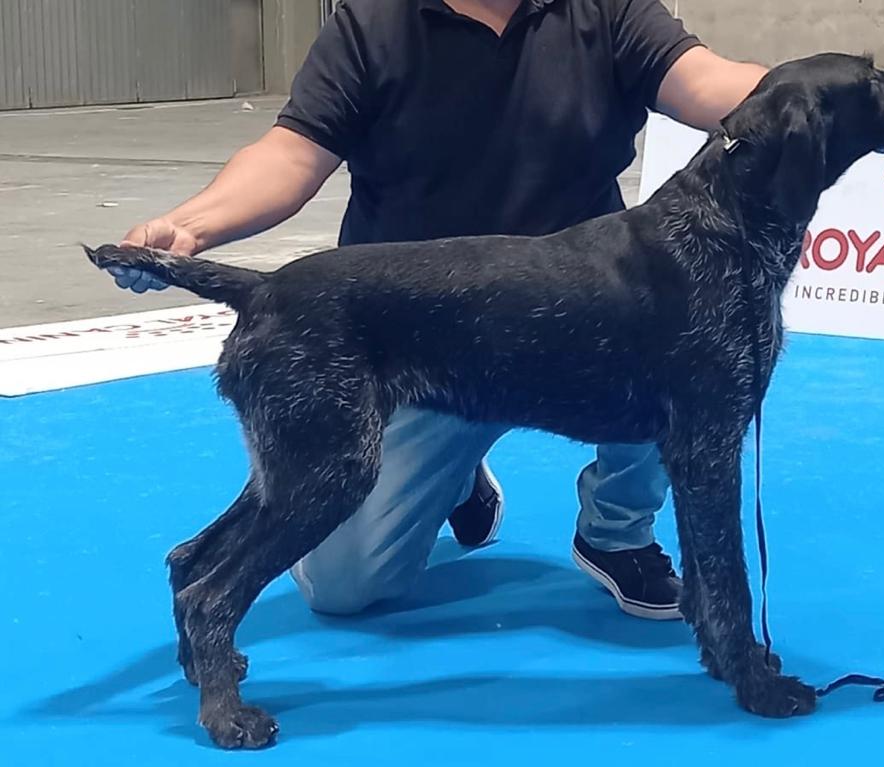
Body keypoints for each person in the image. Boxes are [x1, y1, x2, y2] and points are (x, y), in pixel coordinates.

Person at [103, 0, 773, 620]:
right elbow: (291, 154)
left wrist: (837, 94)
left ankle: (616, 531)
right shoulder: (371, 24)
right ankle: (455, 474)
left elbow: (713, 85)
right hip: (410, 340)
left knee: (689, 341)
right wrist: (188, 228)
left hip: (584, 330)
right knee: (344, 586)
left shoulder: (606, 9)